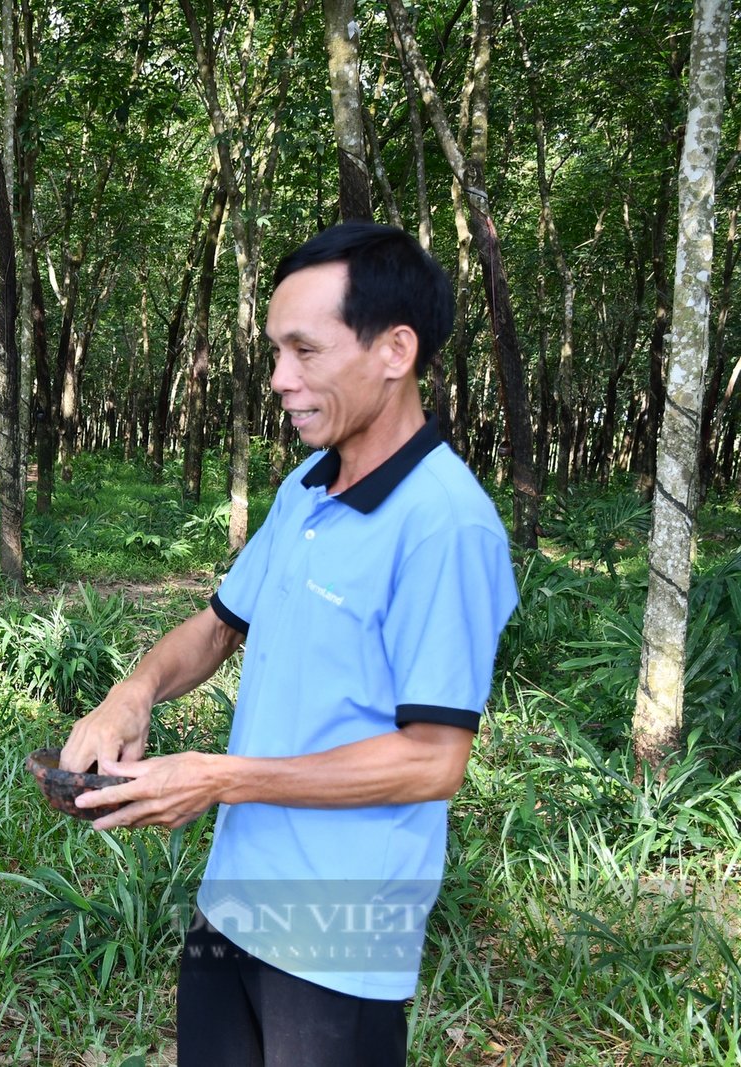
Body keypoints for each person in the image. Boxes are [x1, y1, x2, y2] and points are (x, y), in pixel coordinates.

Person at [59, 222, 518, 1067]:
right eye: (276, 352)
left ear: (395, 350)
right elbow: (220, 624)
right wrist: (133, 692)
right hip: (234, 902)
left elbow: (433, 761)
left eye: (305, 350)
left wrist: (221, 777)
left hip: (343, 938)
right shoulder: (306, 488)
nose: (280, 378)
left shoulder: (446, 526)